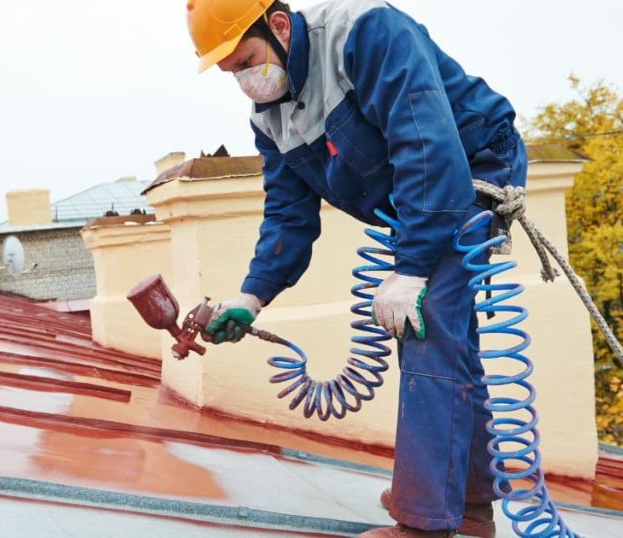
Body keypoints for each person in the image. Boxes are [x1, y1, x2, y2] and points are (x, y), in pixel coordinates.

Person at [186, 1, 528, 537]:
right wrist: (250, 299)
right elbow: (287, 217)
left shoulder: (364, 33)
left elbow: (426, 143)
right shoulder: (270, 115)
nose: (246, 81)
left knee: (425, 320)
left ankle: (424, 524)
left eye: (246, 60)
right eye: (232, 73)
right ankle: (467, 506)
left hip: (470, 163)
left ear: (278, 26)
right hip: (419, 193)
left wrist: (412, 268)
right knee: (447, 336)